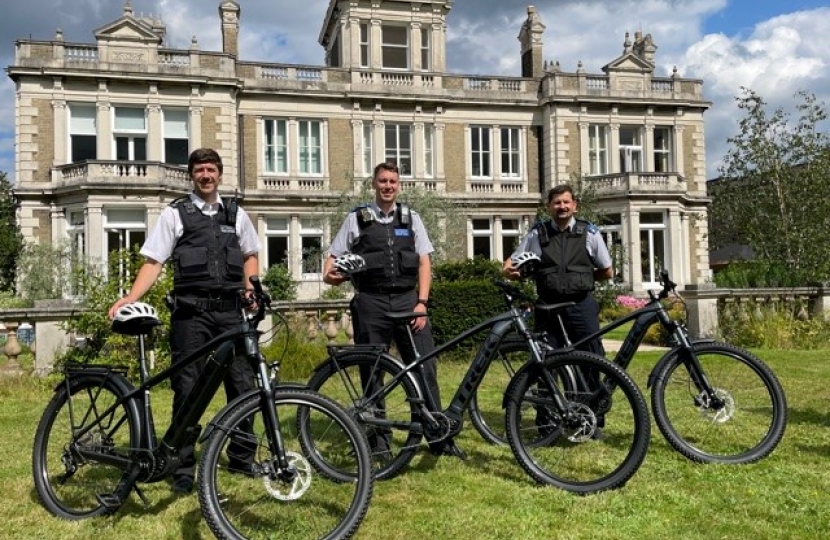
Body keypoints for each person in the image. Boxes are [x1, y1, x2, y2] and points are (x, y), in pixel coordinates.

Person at [108, 147, 261, 494]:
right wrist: (132, 297)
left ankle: (241, 456)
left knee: (242, 384)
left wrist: (251, 290)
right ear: (192, 175)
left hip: (230, 313)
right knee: (187, 389)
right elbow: (153, 261)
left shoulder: (236, 214)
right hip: (191, 314)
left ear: (220, 174)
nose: (206, 175)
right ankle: (182, 466)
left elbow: (250, 255)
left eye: (211, 169)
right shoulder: (176, 214)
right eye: (199, 170)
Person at [323, 161, 465, 460]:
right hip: (370, 303)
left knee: (425, 368)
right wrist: (335, 275)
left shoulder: (411, 218)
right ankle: (379, 443)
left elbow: (425, 261)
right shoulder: (357, 219)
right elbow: (331, 265)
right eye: (383, 181)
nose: (388, 186)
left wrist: (422, 303)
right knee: (372, 374)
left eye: (393, 182)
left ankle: (437, 435)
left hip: (408, 302)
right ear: (374, 184)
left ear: (399, 185)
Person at [503, 183, 614, 435]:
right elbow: (511, 265)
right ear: (549, 207)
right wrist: (510, 271)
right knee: (544, 361)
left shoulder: (589, 232)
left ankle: (591, 420)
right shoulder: (537, 234)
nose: (562, 207)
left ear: (574, 205)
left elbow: (607, 271)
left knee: (590, 359)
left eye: (566, 202)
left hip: (580, 305)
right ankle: (547, 422)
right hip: (548, 306)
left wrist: (580, 279)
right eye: (557, 203)